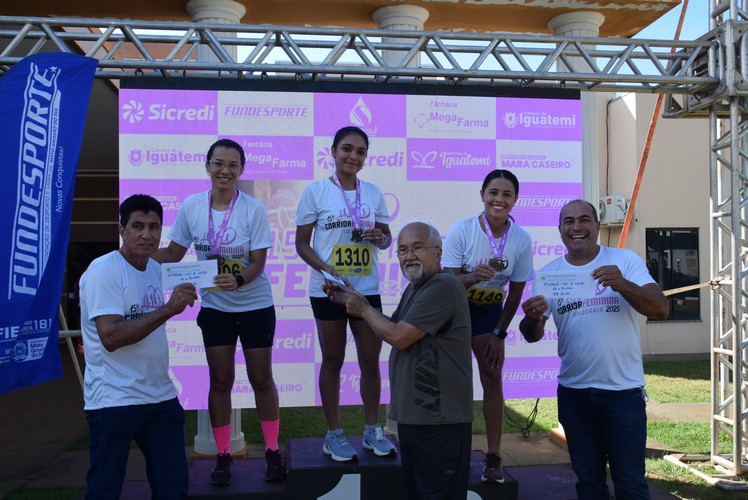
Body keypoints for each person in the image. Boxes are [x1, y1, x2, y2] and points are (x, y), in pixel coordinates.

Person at [154, 139, 285, 484]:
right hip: (215, 308)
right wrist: (133, 254)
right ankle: (224, 454)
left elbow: (258, 262)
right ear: (207, 166)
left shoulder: (253, 209)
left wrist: (239, 279)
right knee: (221, 380)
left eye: (232, 165)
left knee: (260, 379)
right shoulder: (192, 207)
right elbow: (172, 253)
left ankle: (272, 451)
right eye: (218, 164)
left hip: (255, 305)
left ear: (242, 170)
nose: (225, 171)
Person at [519, 200, 669, 500]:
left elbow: (661, 308)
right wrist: (532, 318)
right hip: (575, 395)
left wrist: (624, 285)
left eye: (585, 220)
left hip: (622, 393)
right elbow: (531, 335)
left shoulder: (624, 262)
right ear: (560, 230)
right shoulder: (549, 275)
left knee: (631, 484)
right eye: (569, 221)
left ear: (597, 226)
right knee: (588, 483)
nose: (577, 227)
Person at [324, 222, 473, 499]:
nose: (409, 256)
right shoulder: (418, 287)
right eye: (402, 250)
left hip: (440, 423)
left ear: (438, 253)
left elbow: (399, 336)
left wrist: (364, 308)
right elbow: (392, 326)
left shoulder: (443, 285)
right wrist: (350, 300)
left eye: (418, 248)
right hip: (416, 419)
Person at [79, 194, 198, 499]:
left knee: (173, 488)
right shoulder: (104, 270)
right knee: (104, 490)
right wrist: (168, 309)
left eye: (154, 227)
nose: (147, 234)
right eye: (138, 226)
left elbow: (199, 275)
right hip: (114, 400)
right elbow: (111, 338)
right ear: (122, 230)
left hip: (160, 399)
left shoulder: (155, 269)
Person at [295, 126, 395, 461]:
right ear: (333, 151)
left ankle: (371, 430)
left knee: (370, 360)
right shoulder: (316, 192)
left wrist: (379, 237)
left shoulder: (374, 192)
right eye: (347, 149)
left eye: (360, 151)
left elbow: (387, 237)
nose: (353, 156)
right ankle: (334, 435)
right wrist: (328, 270)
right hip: (328, 289)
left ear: (366, 157)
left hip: (366, 289)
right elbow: (301, 243)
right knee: (333, 360)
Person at [443, 169, 533, 483]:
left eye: (507, 194)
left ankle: (494, 456)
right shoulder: (462, 230)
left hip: (488, 315)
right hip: (455, 313)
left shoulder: (520, 239)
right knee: (453, 383)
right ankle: (449, 452)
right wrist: (471, 277)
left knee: (493, 379)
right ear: (483, 195)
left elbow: (517, 291)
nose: (499, 200)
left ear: (515, 200)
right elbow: (447, 282)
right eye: (493, 192)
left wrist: (499, 333)